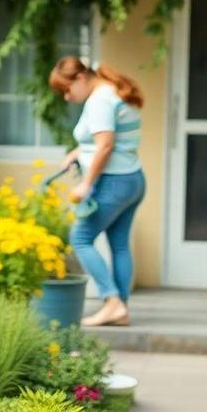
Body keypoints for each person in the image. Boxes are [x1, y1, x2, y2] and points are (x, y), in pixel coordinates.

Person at [49, 57, 145, 327]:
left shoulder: (100, 100)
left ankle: (111, 301)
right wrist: (77, 152)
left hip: (112, 182)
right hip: (133, 179)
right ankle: (120, 309)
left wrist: (85, 185)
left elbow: (105, 146)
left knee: (80, 237)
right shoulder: (112, 90)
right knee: (119, 245)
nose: (67, 97)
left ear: (80, 78)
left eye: (66, 90)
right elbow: (104, 141)